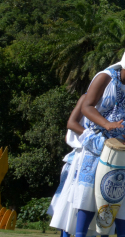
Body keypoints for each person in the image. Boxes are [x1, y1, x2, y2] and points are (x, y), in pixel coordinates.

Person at [71, 48, 125, 237]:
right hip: (99, 142)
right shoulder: (105, 77)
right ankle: (79, 234)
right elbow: (87, 106)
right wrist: (106, 124)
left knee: (124, 195)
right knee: (90, 192)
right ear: (123, 67)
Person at [49, 95, 89, 237]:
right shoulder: (86, 98)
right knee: (67, 205)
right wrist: (93, 138)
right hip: (78, 159)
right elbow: (71, 125)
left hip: (93, 157)